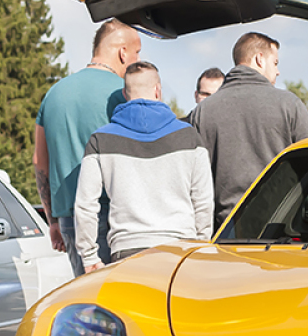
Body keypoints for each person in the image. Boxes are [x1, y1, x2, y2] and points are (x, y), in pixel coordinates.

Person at [74, 61, 213, 272]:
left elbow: (86, 204)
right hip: (181, 250)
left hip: (126, 251)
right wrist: (201, 245)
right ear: (158, 90)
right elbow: (203, 201)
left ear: (125, 93)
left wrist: (89, 255)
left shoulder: (100, 139)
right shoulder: (190, 137)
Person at [34, 19, 142, 276]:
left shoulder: (54, 94)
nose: (137, 60)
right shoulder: (124, 94)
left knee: (86, 301)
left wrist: (53, 220)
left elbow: (40, 161)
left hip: (70, 217)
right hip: (116, 216)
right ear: (122, 52)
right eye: (137, 53)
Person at [191, 32, 308, 228]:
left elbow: (196, 183)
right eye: (275, 63)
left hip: (226, 234)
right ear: (259, 59)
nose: (278, 71)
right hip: (282, 232)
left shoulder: (202, 112)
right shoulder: (289, 105)